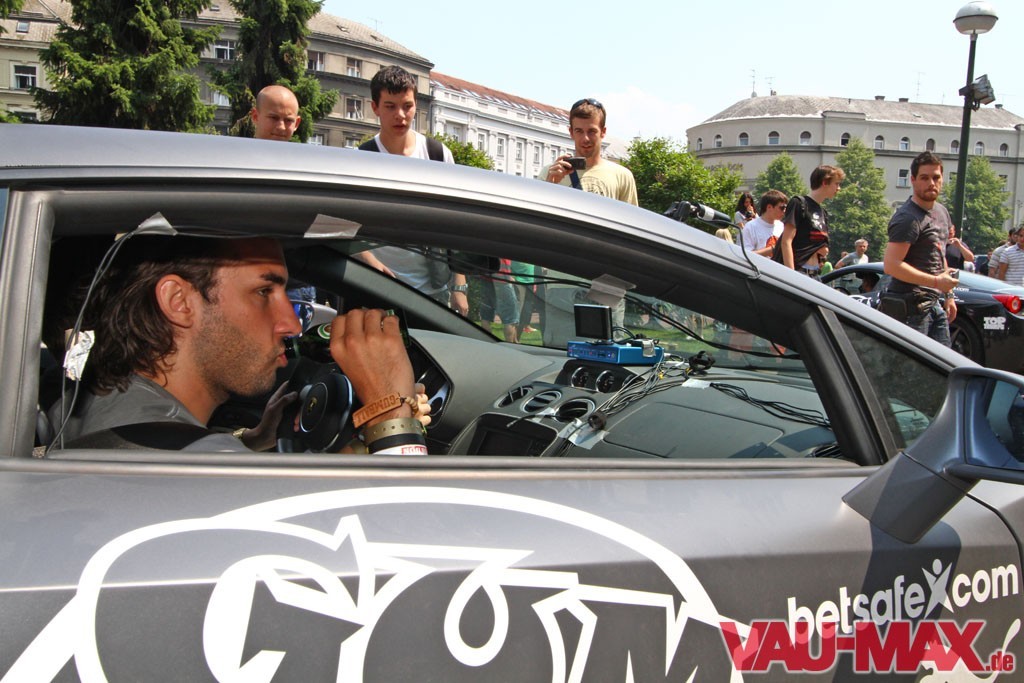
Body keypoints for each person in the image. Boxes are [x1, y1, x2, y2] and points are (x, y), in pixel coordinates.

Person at [50, 236, 428, 454]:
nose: (292, 324)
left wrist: (253, 440)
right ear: (179, 302)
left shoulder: (90, 397)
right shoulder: (188, 465)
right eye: (263, 292)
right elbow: (403, 545)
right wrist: (391, 417)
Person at [355, 65, 469, 316]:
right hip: (379, 289)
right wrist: (369, 262)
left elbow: (454, 223)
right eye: (390, 106)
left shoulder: (437, 155)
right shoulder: (361, 159)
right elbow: (345, 223)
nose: (400, 115)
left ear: (416, 105)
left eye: (407, 106)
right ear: (375, 107)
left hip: (433, 291)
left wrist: (459, 285)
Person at [880, 151, 958, 345]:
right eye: (924, 178)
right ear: (913, 180)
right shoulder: (907, 218)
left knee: (942, 362)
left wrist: (949, 295)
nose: (931, 183)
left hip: (933, 303)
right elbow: (891, 265)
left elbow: (939, 255)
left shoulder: (941, 212)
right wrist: (936, 282)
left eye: (936, 178)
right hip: (909, 307)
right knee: (910, 364)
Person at [539, 98, 638, 205]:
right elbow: (536, 213)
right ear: (571, 132)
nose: (585, 138)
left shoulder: (622, 176)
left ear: (603, 132)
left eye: (592, 131)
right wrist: (549, 186)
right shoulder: (550, 173)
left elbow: (629, 215)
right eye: (579, 131)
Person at [775, 165, 845, 274]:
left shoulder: (823, 212)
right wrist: (791, 275)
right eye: (836, 184)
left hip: (814, 273)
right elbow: (786, 241)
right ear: (825, 182)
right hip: (798, 271)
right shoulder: (798, 203)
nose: (839, 188)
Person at [738, 190, 787, 256]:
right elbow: (746, 255)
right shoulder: (750, 227)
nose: (784, 211)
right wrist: (773, 249)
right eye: (782, 208)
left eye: (785, 208)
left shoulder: (781, 226)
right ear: (769, 207)